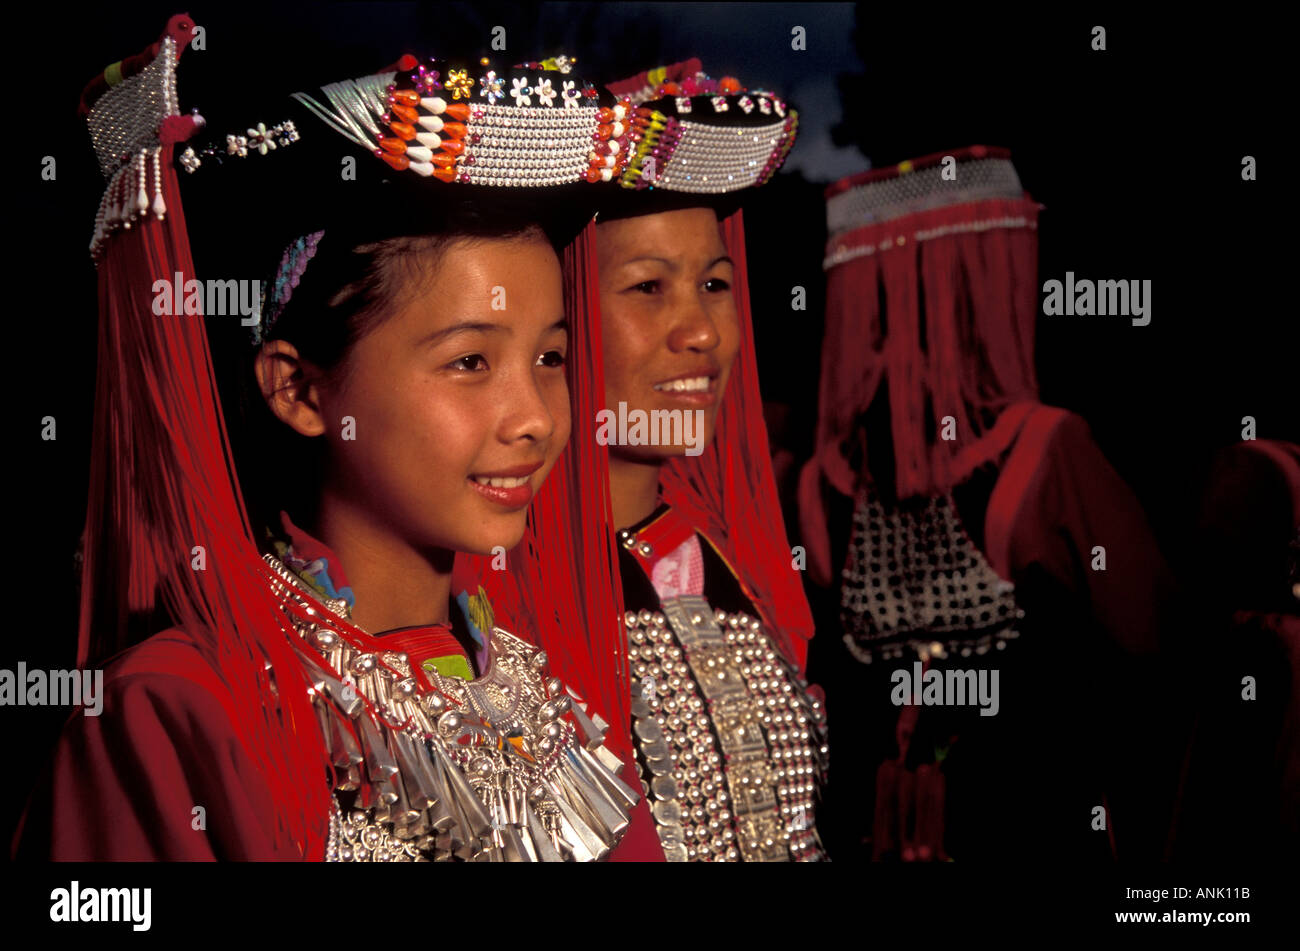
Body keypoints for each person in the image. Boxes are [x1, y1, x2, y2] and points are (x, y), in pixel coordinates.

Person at [12, 16, 640, 862]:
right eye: (469, 362)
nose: (534, 416)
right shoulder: (180, 708)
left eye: (551, 356)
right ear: (300, 390)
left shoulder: (548, 696)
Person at [798, 146, 1180, 861]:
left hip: (868, 829)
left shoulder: (819, 482)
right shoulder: (1049, 449)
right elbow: (1156, 636)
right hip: (1030, 828)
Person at [531, 60, 829, 861]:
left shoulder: (724, 552)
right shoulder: (496, 587)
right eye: (649, 288)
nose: (702, 333)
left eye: (715, 282)